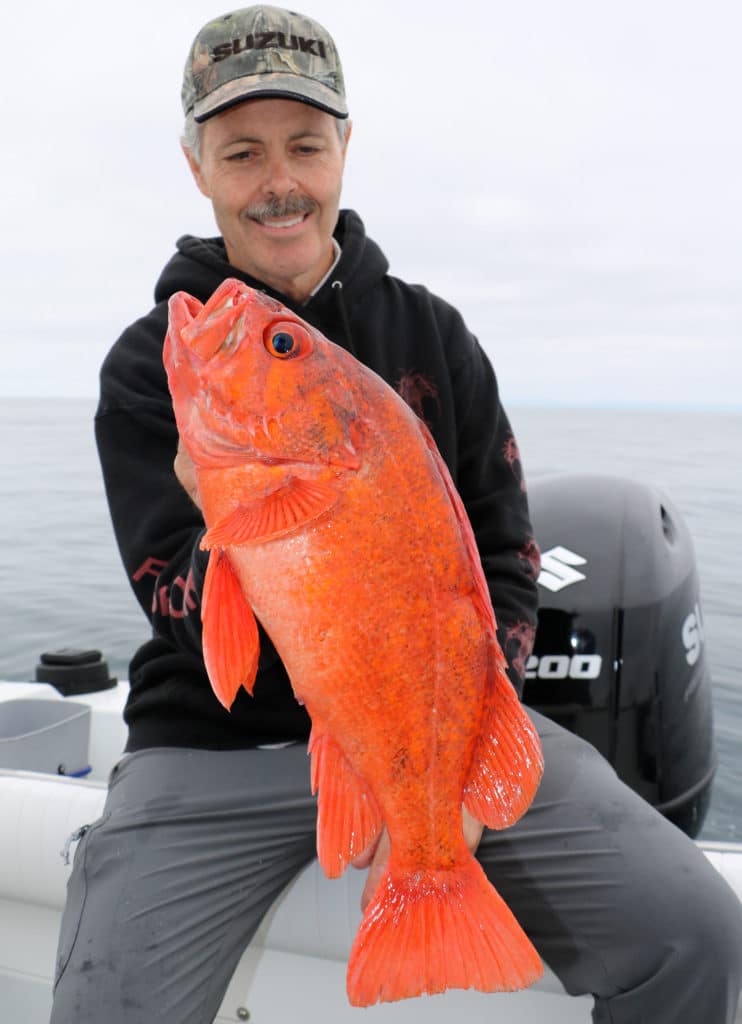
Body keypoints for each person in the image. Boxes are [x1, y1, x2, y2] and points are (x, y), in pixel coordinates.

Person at [51, 6, 742, 1022]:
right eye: (241, 151)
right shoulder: (158, 364)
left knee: (698, 935)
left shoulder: (433, 335)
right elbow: (188, 623)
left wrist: (451, 771)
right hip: (212, 743)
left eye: (303, 143)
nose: (276, 178)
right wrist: (227, 522)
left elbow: (504, 558)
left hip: (438, 728)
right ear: (198, 166)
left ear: (343, 150)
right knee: (107, 1005)